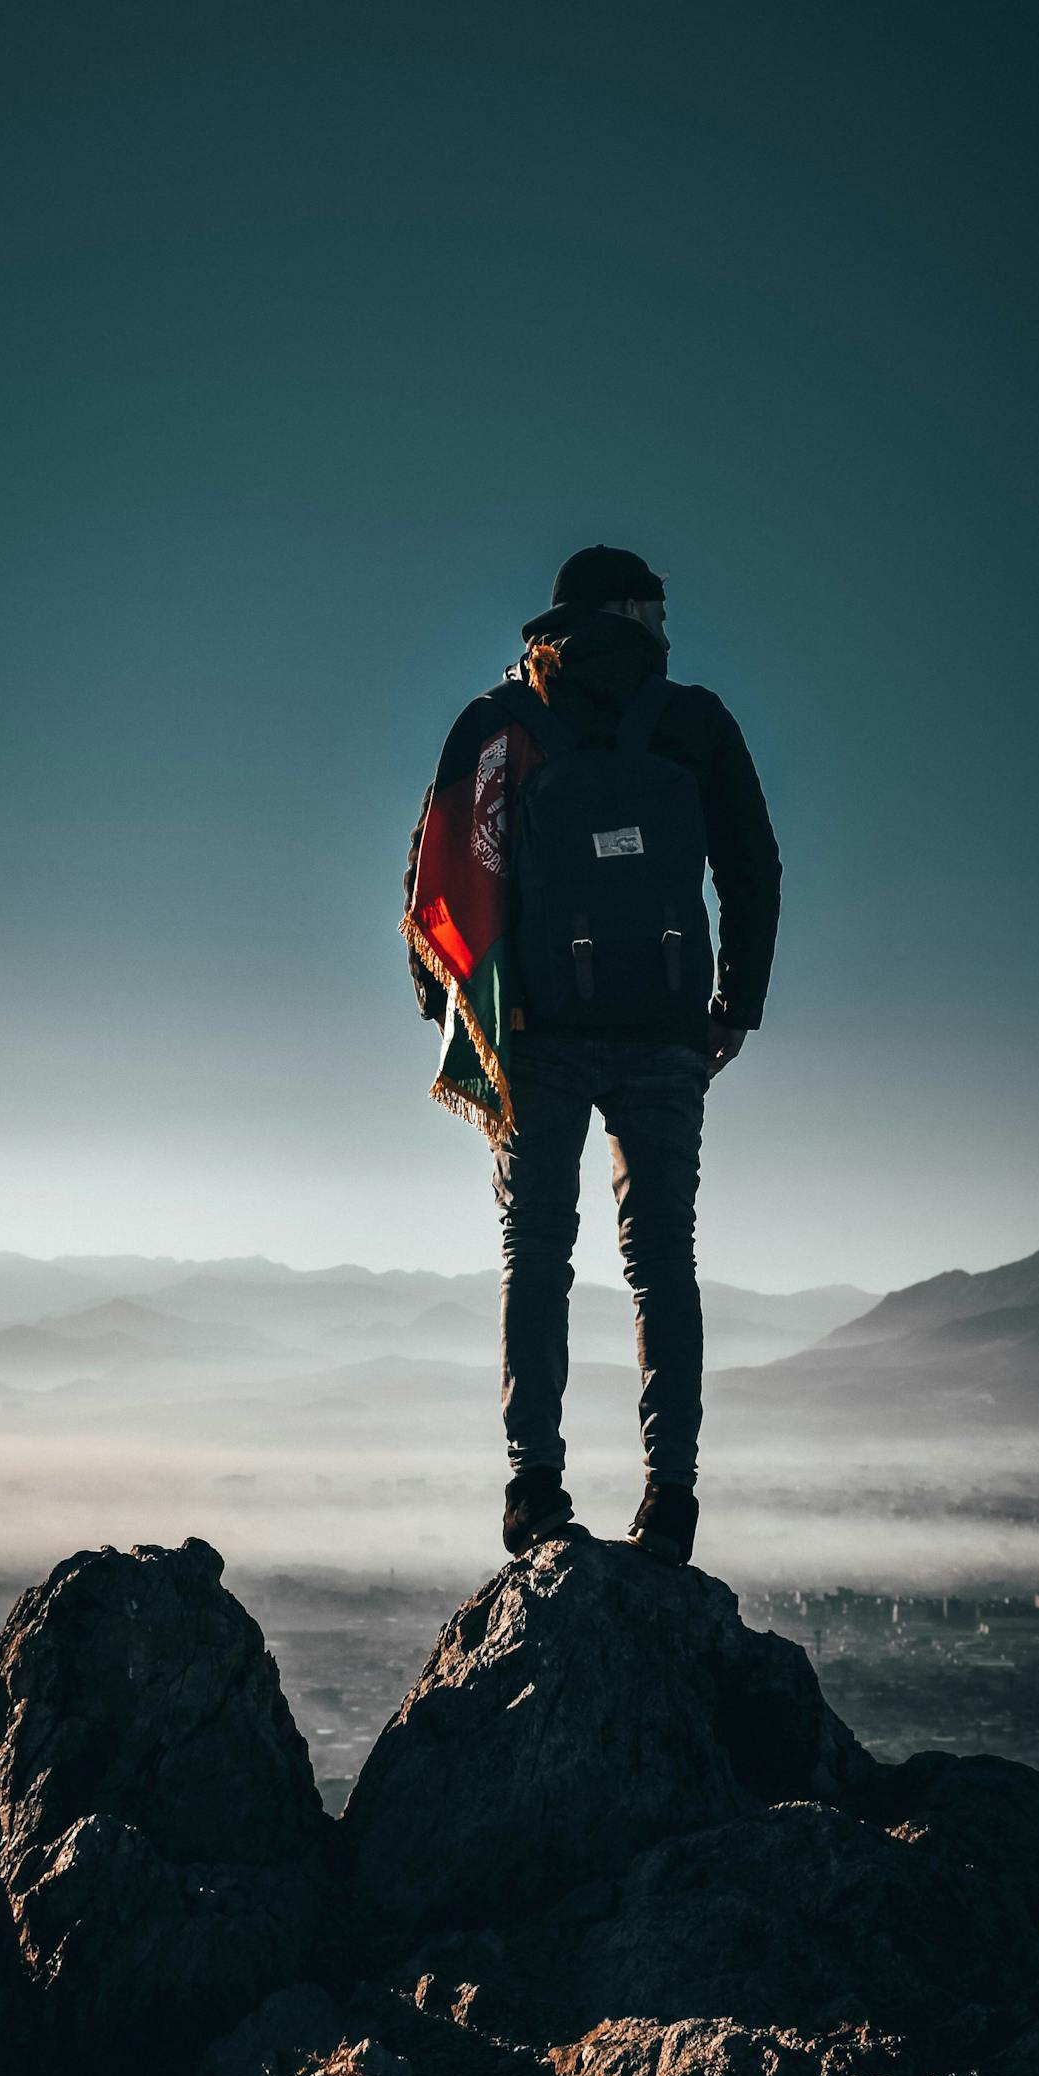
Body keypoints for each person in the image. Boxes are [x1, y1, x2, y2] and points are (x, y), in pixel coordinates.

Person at [402, 544, 780, 1567]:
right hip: (665, 1033)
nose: (667, 629)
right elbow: (753, 862)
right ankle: (671, 1501)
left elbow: (433, 871)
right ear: (631, 610)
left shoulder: (502, 720)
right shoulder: (694, 720)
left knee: (538, 1259)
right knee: (662, 1266)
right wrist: (733, 1003)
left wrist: (451, 1013)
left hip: (535, 1037)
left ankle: (534, 1490)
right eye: (660, 609)